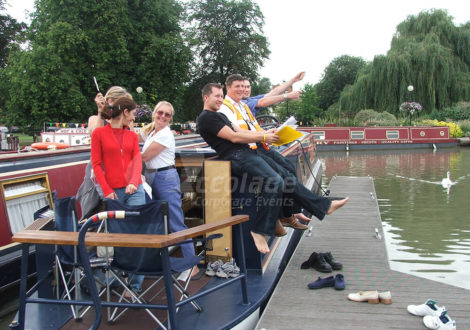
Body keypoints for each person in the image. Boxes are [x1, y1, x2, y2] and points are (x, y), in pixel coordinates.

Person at [196, 83, 349, 254]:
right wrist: (263, 136)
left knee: (286, 178)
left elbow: (240, 130)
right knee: (274, 181)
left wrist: (267, 135)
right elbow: (234, 137)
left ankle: (324, 206)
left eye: (221, 95)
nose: (220, 99)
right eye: (217, 96)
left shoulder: (218, 116)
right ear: (206, 97)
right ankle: (259, 230)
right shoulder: (206, 118)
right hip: (235, 156)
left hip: (247, 152)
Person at [219, 74, 311, 230]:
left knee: (288, 168)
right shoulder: (236, 105)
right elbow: (265, 101)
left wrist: (291, 81)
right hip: (251, 146)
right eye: (240, 86)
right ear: (228, 88)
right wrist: (288, 96)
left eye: (247, 87)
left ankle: (292, 212)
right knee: (275, 176)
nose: (244, 89)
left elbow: (271, 94)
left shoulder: (246, 102)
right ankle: (279, 217)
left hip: (259, 142)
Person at [91, 96, 146, 292]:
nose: (133, 118)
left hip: (135, 190)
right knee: (117, 237)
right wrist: (107, 191)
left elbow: (137, 161)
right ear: (125, 112)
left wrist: (133, 181)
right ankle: (117, 279)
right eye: (132, 114)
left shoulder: (131, 135)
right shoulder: (98, 134)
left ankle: (135, 287)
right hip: (113, 193)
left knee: (137, 235)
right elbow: (96, 165)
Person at [140, 101, 199, 278]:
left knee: (175, 221)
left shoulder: (164, 134)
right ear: (154, 113)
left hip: (164, 178)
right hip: (152, 177)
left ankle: (192, 264)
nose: (163, 116)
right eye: (160, 113)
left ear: (170, 118)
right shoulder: (152, 132)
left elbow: (145, 156)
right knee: (154, 220)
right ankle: (157, 260)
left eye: (167, 114)